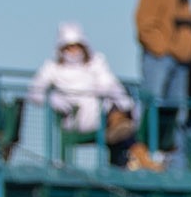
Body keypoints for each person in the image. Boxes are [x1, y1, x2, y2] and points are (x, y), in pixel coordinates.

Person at [26, 23, 137, 167]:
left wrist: (123, 101)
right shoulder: (52, 68)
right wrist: (54, 100)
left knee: (126, 117)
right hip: (75, 118)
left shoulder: (96, 62)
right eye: (69, 47)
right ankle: (137, 155)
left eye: (76, 47)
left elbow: (109, 83)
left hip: (103, 112)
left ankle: (132, 156)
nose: (73, 51)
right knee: (120, 123)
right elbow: (34, 91)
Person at [133, 0, 191, 165]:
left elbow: (185, 24)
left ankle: (174, 162)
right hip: (159, 57)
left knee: (177, 112)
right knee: (153, 105)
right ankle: (145, 156)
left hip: (180, 60)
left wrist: (186, 48)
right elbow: (144, 23)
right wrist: (161, 48)